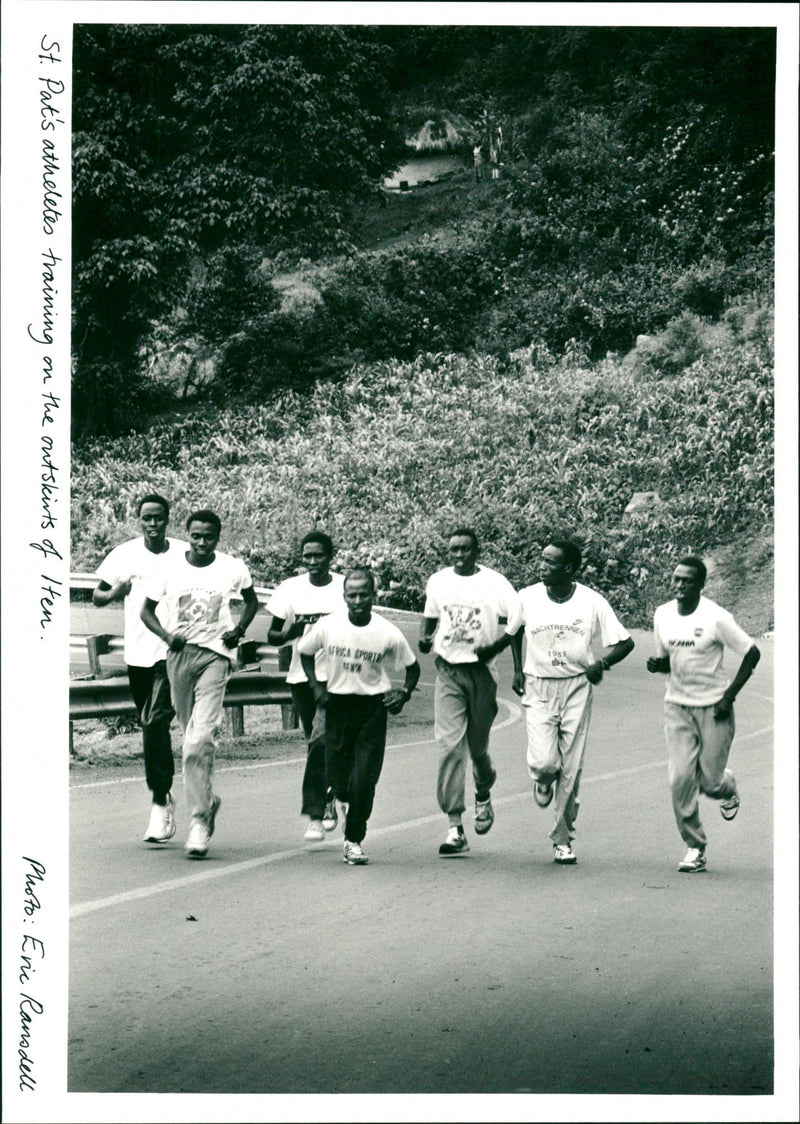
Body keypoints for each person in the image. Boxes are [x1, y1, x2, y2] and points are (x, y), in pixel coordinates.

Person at [140, 509, 259, 858]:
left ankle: (198, 823)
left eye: (209, 537)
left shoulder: (232, 568)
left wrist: (238, 630)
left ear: (218, 537)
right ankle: (207, 800)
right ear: (187, 535)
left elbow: (251, 601)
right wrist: (166, 635)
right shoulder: (169, 568)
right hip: (179, 657)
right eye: (196, 536)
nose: (202, 542)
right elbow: (146, 611)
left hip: (215, 657)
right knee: (189, 737)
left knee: (199, 739)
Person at [510, 539, 634, 865]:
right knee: (544, 763)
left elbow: (625, 642)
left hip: (577, 687)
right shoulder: (527, 597)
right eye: (541, 559)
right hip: (538, 685)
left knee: (572, 767)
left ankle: (562, 839)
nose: (541, 566)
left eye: (550, 563)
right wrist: (517, 670)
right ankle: (542, 777)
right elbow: (513, 631)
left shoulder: (592, 602)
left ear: (568, 569)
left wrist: (601, 664)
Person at [298, 567, 420, 866]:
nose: (358, 600)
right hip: (337, 706)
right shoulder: (329, 626)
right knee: (340, 780)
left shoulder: (387, 631)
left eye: (364, 594)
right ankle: (334, 795)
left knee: (365, 779)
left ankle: (353, 839)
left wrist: (403, 693)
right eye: (352, 595)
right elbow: (304, 652)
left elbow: (412, 667)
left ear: (373, 596)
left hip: (371, 709)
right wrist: (316, 686)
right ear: (344, 597)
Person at [647, 556, 760, 873]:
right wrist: (659, 666)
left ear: (700, 585)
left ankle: (727, 785)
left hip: (714, 707)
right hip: (677, 706)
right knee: (680, 778)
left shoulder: (716, 617)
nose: (680, 586)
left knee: (709, 783)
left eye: (687, 581)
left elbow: (753, 652)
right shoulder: (663, 615)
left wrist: (729, 696)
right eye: (676, 579)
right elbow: (668, 660)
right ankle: (695, 846)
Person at [420, 529, 522, 857]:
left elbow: (517, 622)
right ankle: (454, 827)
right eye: (454, 550)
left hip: (482, 673)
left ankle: (483, 790)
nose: (459, 556)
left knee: (477, 749)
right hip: (448, 669)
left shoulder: (496, 583)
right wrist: (425, 638)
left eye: (466, 550)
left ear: (477, 550)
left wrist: (501, 651)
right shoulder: (438, 581)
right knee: (450, 747)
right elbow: (430, 617)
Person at [92, 494, 188, 844]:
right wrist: (117, 590)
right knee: (151, 724)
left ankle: (160, 802)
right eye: (146, 517)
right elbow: (97, 596)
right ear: (138, 519)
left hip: (172, 650)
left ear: (167, 519)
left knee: (154, 720)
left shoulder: (182, 553)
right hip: (138, 654)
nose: (152, 523)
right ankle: (164, 793)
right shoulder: (124, 554)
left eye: (158, 517)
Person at [266, 531, 345, 843]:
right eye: (307, 556)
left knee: (323, 741)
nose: (313, 562)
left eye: (319, 556)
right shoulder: (290, 589)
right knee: (317, 743)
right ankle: (330, 796)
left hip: (339, 676)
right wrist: (291, 632)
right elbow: (272, 636)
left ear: (330, 556)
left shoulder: (343, 587)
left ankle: (316, 812)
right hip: (302, 678)